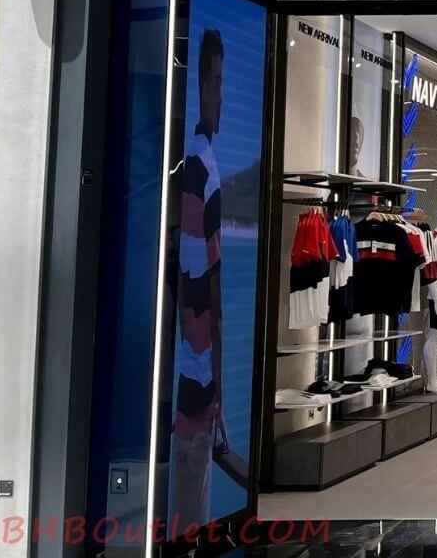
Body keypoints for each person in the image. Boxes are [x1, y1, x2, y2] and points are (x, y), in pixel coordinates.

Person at [170, 29, 249, 525]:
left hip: (184, 365)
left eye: (222, 84)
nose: (220, 97)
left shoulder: (187, 166)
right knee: (192, 499)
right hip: (197, 372)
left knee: (186, 488)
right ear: (200, 88)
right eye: (214, 83)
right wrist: (219, 386)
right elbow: (211, 295)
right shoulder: (205, 171)